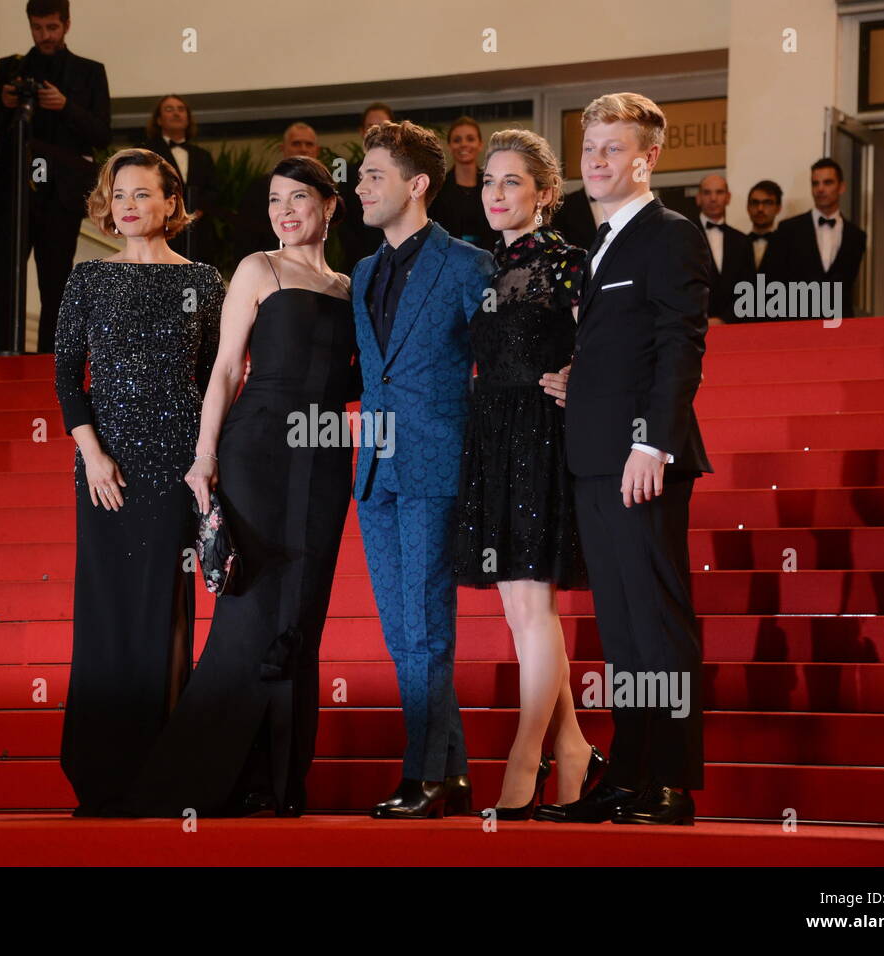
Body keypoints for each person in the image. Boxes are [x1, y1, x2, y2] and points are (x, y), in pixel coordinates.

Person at [121, 156, 358, 818]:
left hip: (326, 453)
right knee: (252, 609)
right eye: (276, 199)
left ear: (330, 205)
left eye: (299, 197)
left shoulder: (350, 287)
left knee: (302, 613)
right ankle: (206, 779)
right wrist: (203, 456)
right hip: (256, 447)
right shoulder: (260, 269)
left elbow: (362, 378)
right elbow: (225, 370)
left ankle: (277, 783)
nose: (285, 210)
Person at [537, 92, 711, 826]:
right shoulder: (601, 240)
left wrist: (653, 441)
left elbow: (680, 344)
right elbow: (628, 343)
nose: (597, 162)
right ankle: (630, 776)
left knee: (658, 623)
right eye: (590, 149)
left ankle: (669, 784)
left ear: (649, 158)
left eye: (614, 149)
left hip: (643, 457)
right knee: (623, 629)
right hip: (595, 456)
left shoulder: (668, 233)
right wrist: (582, 378)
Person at [55, 148, 223, 817]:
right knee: (106, 611)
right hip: (107, 468)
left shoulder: (206, 280)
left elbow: (216, 379)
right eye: (119, 195)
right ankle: (103, 771)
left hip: (177, 465)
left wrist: (207, 459)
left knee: (167, 609)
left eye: (143, 195)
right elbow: (69, 376)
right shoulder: (88, 279)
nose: (128, 206)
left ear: (170, 203)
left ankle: (163, 769)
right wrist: (92, 454)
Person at [452, 128, 602, 820]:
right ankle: (571, 747)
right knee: (517, 609)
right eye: (488, 181)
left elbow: (607, 338)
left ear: (545, 195)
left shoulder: (571, 262)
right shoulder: (481, 267)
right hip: (491, 433)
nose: (496, 194)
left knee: (531, 608)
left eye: (512, 182)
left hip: (541, 435)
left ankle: (524, 758)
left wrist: (581, 375)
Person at [352, 120, 494, 819]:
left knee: (428, 626)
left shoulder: (468, 264)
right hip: (374, 472)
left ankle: (425, 776)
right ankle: (454, 774)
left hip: (438, 462)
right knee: (401, 629)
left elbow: (499, 368)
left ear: (416, 185)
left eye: (373, 176)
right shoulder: (362, 274)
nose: (360, 187)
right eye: (358, 176)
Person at [0, 0, 110, 355]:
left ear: (66, 24)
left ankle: (52, 357)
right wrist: (3, 102)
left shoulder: (90, 72)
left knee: (55, 278)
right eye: (37, 28)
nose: (44, 35)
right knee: (4, 272)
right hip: (14, 189)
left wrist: (65, 106)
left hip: (61, 195)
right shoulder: (12, 69)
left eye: (51, 27)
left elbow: (101, 134)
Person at [761, 158, 866, 318]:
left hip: (840, 325)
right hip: (795, 324)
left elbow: (847, 286)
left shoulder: (856, 236)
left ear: (841, 187)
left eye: (828, 182)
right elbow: (769, 282)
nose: (820, 189)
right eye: (815, 183)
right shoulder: (788, 229)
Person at [142, 94, 219, 265]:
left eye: (181, 109)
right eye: (169, 109)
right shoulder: (146, 152)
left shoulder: (202, 155)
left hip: (198, 233)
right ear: (159, 120)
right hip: (161, 229)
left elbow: (214, 189)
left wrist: (197, 210)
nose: (176, 113)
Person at [232, 122, 319, 262]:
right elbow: (245, 237)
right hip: (268, 267)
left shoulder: (323, 189)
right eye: (296, 143)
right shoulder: (259, 187)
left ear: (317, 150)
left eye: (309, 144)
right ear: (283, 148)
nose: (303, 149)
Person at [428, 115, 500, 252]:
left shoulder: (494, 186)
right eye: (457, 140)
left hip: (491, 261)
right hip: (449, 262)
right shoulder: (437, 188)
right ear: (449, 146)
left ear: (480, 144)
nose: (464, 144)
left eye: (470, 139)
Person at [337, 101, 394, 271]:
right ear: (362, 132)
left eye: (383, 126)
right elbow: (343, 224)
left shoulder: (405, 172)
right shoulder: (346, 173)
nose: (377, 132)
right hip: (359, 263)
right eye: (371, 127)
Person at [694, 173, 755, 325]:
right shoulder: (682, 236)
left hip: (734, 326)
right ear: (698, 198)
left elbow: (749, 288)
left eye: (719, 192)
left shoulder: (742, 240)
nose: (713, 198)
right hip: (693, 328)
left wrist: (724, 319)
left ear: (728, 197)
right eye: (707, 193)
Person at [746, 179, 782, 270]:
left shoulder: (788, 245)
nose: (760, 209)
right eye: (755, 203)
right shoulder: (736, 245)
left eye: (767, 203)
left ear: (778, 208)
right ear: (748, 207)